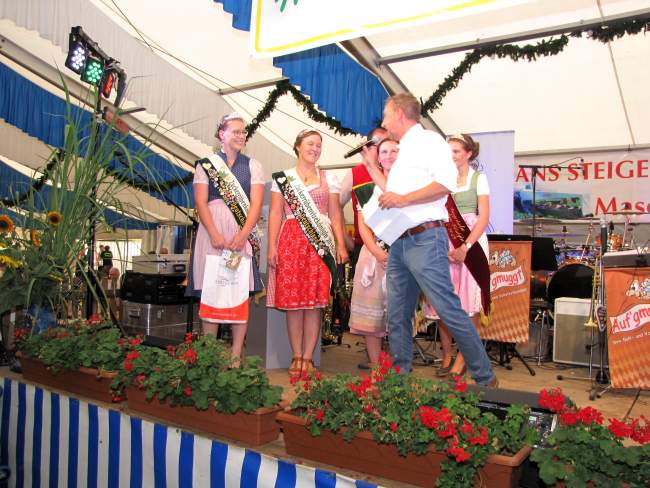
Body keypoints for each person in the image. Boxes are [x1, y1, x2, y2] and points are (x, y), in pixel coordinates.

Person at [368, 93, 497, 387]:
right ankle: (399, 381)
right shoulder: (402, 151)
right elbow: (395, 195)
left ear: (400, 114)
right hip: (400, 241)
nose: (383, 122)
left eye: (386, 115)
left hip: (425, 237)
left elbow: (445, 184)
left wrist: (403, 199)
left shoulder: (429, 142)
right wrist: (373, 167)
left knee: (447, 307)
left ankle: (485, 377)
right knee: (397, 314)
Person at [267, 129, 349, 378]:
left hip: (320, 245)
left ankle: (308, 356)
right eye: (310, 144)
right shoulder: (283, 178)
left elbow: (335, 215)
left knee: (314, 304)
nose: (315, 148)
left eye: (318, 145)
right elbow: (275, 214)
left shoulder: (329, 178)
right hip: (291, 241)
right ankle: (296, 355)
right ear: (298, 146)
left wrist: (341, 245)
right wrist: (272, 246)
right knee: (294, 304)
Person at [186, 112, 264, 364]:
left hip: (240, 235)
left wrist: (243, 235)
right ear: (222, 133)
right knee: (211, 290)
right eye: (236, 131)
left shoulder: (253, 166)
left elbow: (256, 205)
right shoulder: (206, 165)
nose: (241, 135)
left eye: (244, 132)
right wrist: (214, 233)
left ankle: (235, 355)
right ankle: (209, 353)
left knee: (238, 293)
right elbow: (200, 201)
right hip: (212, 234)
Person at [423, 134, 490, 377]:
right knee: (444, 302)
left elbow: (484, 217)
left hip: (470, 243)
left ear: (468, 153)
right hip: (444, 240)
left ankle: (463, 359)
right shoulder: (442, 180)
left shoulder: (478, 178)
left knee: (468, 305)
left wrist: (465, 247)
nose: (451, 156)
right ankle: (447, 354)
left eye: (456, 151)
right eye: (448, 151)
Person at [348, 139, 399, 367]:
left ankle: (399, 368)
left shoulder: (410, 187)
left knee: (399, 315)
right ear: (377, 157)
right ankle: (376, 368)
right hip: (372, 254)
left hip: (402, 254)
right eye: (384, 151)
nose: (389, 155)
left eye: (394, 151)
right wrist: (377, 251)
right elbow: (362, 225)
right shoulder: (366, 189)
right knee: (371, 318)